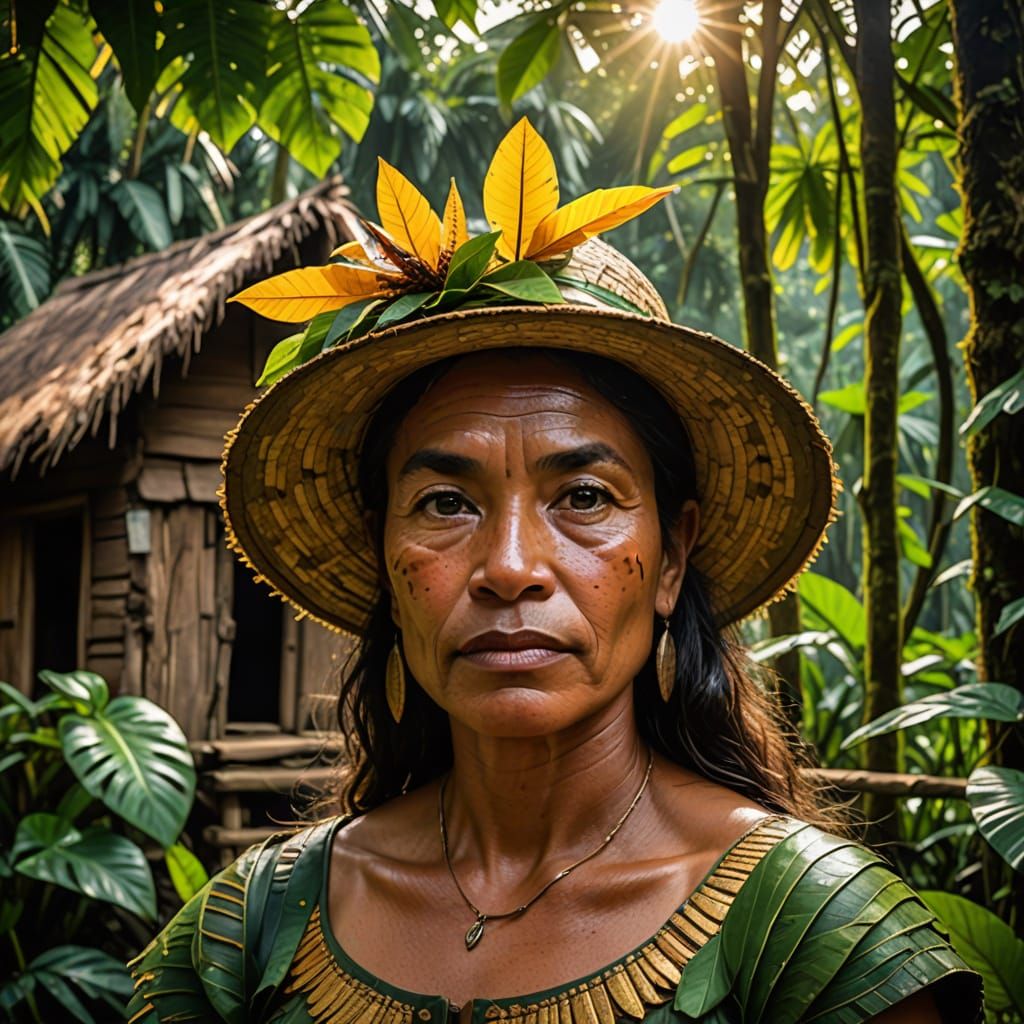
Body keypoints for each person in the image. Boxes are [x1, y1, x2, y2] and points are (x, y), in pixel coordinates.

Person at [126, 120, 982, 1024]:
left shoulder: (817, 936)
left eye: (583, 496)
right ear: (385, 556)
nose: (508, 568)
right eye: (446, 504)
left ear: (671, 558)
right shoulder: (248, 931)